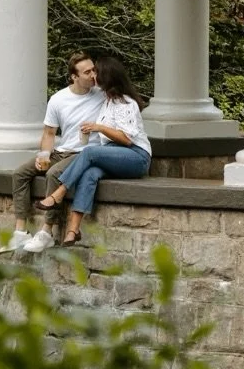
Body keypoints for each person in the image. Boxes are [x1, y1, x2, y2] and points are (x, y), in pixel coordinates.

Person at [27, 54, 151, 250]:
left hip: (136, 156)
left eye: (96, 72)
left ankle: (59, 193)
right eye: (91, 72)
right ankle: (73, 230)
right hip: (113, 154)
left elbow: (127, 139)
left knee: (89, 152)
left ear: (106, 76)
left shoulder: (125, 103)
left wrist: (98, 127)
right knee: (90, 173)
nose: (93, 75)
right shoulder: (106, 100)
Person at [0, 51, 105, 254]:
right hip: (61, 150)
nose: (93, 75)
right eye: (87, 72)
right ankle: (20, 231)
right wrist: (44, 156)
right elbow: (49, 133)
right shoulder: (58, 99)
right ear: (74, 77)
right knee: (20, 173)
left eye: (94, 70)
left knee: (53, 174)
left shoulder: (102, 94)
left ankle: (46, 232)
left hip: (84, 153)